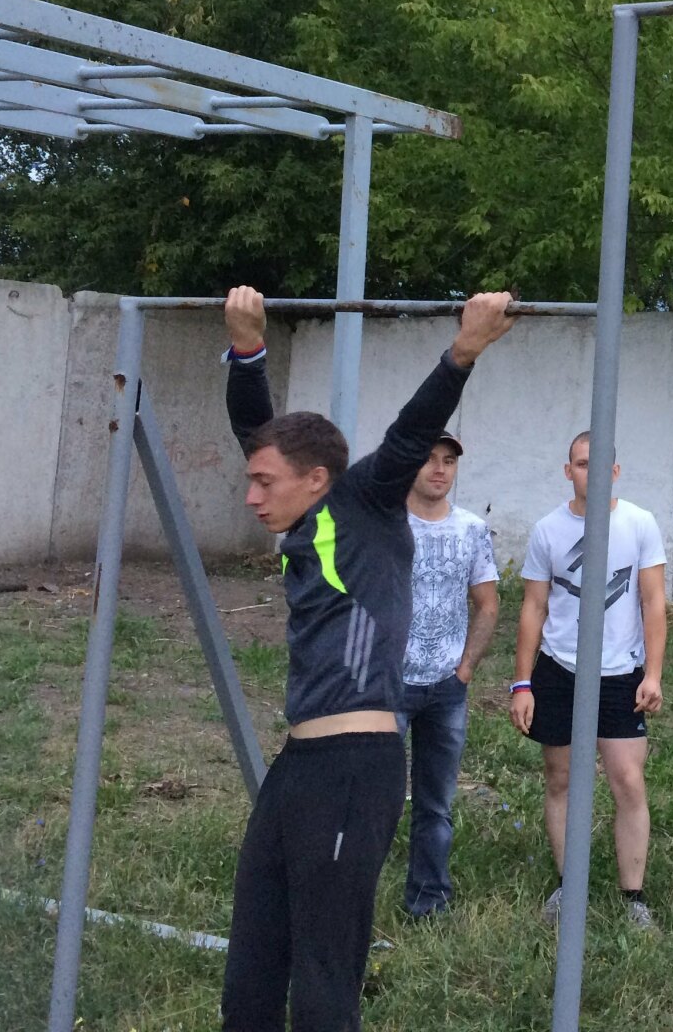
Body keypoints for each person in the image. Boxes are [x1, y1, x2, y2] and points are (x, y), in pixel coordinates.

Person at [218, 285, 518, 1030]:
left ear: (317, 479)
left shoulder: (365, 504)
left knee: (324, 977)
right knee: (253, 960)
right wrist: (248, 349)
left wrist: (464, 350)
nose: (251, 496)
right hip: (297, 765)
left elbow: (411, 433)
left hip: (355, 767)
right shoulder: (306, 517)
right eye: (252, 480)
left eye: (264, 483)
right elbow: (259, 433)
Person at [510, 431, 667, 931]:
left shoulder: (639, 524)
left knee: (628, 780)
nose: (591, 473)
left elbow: (652, 602)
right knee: (560, 778)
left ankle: (633, 898)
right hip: (560, 670)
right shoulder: (548, 531)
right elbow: (534, 607)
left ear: (614, 472)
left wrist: (653, 674)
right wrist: (522, 683)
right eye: (581, 464)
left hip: (620, 673)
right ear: (568, 471)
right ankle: (567, 884)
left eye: (600, 465)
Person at [395, 430, 500, 917]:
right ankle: (350, 897)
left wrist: (466, 668)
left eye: (449, 461)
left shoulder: (471, 529)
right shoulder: (388, 524)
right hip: (390, 685)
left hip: (446, 688)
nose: (440, 469)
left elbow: (487, 604)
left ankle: (429, 901)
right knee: (375, 798)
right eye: (430, 459)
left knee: (436, 804)